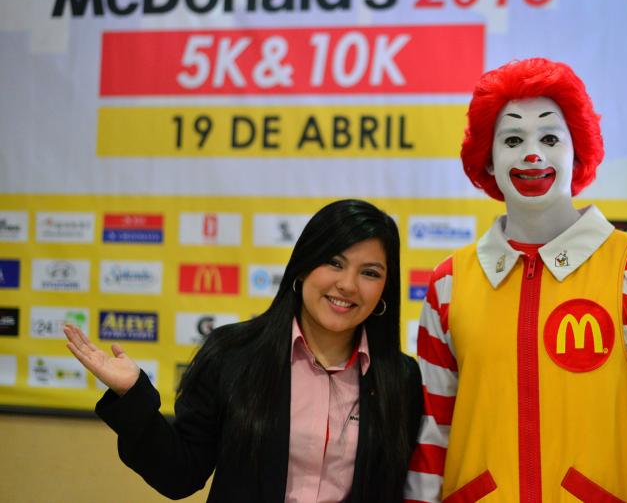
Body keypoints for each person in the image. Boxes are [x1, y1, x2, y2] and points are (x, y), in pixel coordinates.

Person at [405, 58, 627, 503]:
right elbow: (430, 435)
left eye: (550, 137)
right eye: (513, 139)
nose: (532, 154)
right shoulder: (449, 282)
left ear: (577, 151)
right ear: (489, 158)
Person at [64, 199, 422, 503]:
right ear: (303, 266)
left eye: (370, 273)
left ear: (384, 290)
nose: (347, 285)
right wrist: (132, 395)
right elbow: (179, 475)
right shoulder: (233, 355)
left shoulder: (400, 378)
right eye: (334, 262)